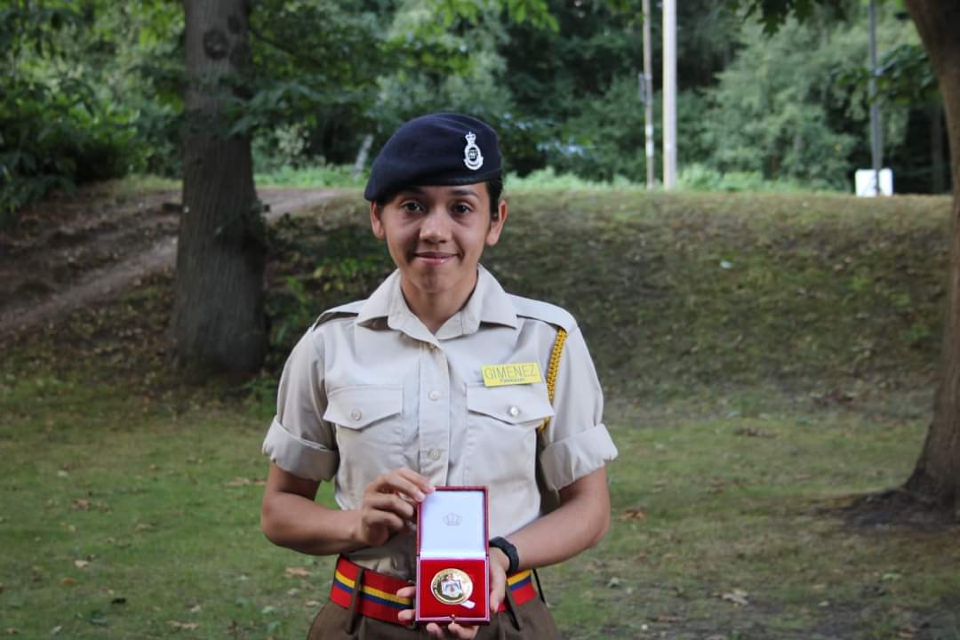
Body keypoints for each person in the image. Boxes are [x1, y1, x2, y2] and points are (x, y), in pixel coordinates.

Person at [260, 113, 618, 639]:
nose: (434, 230)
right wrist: (356, 523)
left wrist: (502, 556)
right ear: (378, 218)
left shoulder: (547, 340)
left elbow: (590, 509)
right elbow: (279, 510)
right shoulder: (329, 344)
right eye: (412, 205)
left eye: (461, 208)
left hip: (507, 623)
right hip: (364, 624)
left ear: (495, 220)